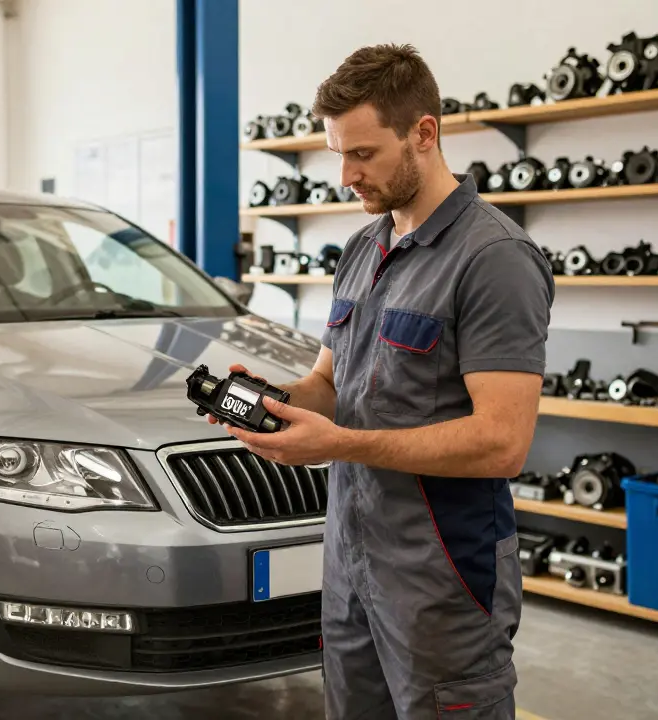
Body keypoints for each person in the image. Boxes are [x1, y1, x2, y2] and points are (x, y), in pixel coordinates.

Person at [215, 44, 554, 719]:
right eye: (338, 153)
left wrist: (338, 443)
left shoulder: (494, 260)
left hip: (442, 582)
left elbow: (502, 443)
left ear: (423, 134)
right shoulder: (363, 251)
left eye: (363, 153)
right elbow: (329, 383)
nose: (345, 176)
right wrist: (276, 400)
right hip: (351, 569)